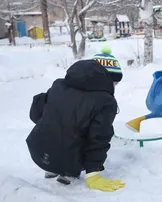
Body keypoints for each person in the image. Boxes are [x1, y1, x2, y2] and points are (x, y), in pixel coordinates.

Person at [26, 46, 126, 192]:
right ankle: (67, 172)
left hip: (37, 150)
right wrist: (93, 171)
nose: (115, 87)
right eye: (115, 83)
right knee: (81, 130)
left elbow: (37, 112)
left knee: (65, 124)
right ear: (105, 78)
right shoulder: (105, 101)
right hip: (68, 160)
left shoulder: (59, 85)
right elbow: (99, 138)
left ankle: (52, 166)